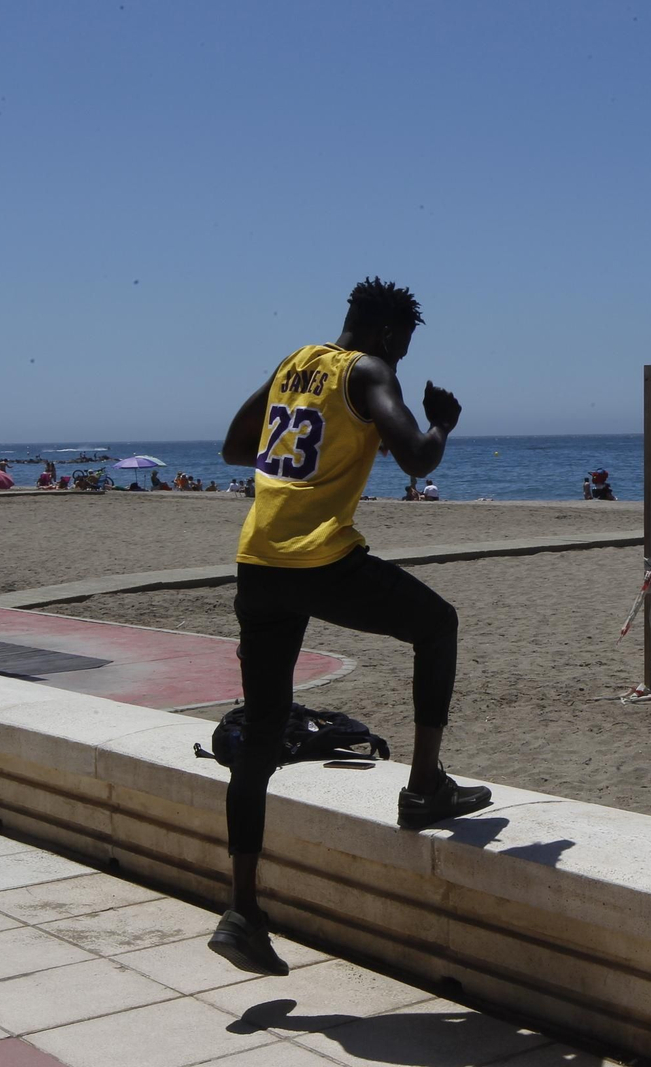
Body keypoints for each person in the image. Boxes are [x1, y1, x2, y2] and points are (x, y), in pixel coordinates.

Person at [207, 276, 491, 977]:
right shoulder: (368, 372)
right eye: (404, 348)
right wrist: (443, 421)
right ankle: (424, 787)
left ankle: (242, 910)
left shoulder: (294, 362)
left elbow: (235, 446)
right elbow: (417, 458)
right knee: (437, 625)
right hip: (321, 558)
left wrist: (307, 460)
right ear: (391, 337)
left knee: (262, 738)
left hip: (258, 561)